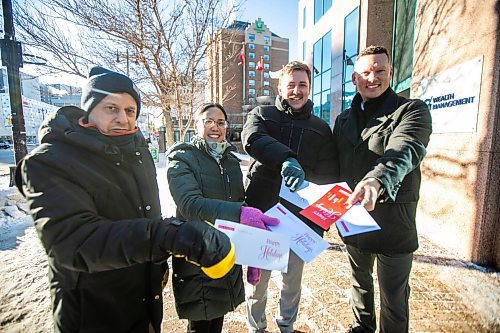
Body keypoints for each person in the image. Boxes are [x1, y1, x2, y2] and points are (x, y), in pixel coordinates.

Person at [15, 67, 236, 333]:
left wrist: (156, 266)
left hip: (143, 299)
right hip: (93, 310)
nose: (122, 118)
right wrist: (168, 236)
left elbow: (143, 215)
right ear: (89, 109)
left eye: (130, 111)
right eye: (111, 108)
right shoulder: (48, 161)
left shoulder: (135, 152)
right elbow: (73, 241)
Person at [332, 45, 432, 333]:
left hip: (394, 225)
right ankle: (362, 327)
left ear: (390, 73)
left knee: (394, 298)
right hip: (353, 220)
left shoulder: (412, 110)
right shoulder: (342, 120)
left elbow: (405, 149)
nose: (372, 77)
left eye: (379, 71)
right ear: (354, 78)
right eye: (365, 72)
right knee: (359, 284)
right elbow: (331, 166)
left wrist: (377, 179)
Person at [242, 61, 338, 333]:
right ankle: (255, 328)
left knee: (292, 283)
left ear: (310, 88)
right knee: (257, 283)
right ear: (280, 87)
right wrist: (286, 159)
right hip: (262, 214)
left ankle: (286, 326)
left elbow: (327, 176)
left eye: (303, 85)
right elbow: (252, 139)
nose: (297, 90)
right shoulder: (262, 114)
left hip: (299, 221)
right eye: (291, 85)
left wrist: (320, 223)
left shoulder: (321, 128)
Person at [167, 103, 280, 333]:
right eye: (208, 121)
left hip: (227, 253)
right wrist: (240, 212)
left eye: (220, 122)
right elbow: (189, 205)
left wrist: (252, 249)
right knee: (200, 323)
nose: (215, 127)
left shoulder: (229, 159)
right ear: (196, 124)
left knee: (217, 319)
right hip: (198, 255)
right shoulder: (182, 157)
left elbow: (239, 202)